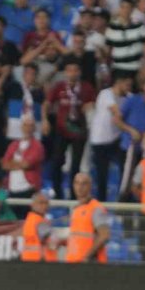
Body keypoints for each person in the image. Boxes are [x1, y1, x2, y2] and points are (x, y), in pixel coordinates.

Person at [43, 59, 96, 200]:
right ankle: (57, 194)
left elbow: (92, 105)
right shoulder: (59, 86)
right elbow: (47, 104)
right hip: (61, 130)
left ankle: (74, 197)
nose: (72, 73)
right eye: (69, 70)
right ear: (65, 72)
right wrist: (45, 120)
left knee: (76, 166)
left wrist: (90, 106)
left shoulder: (86, 88)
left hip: (79, 131)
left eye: (75, 70)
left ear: (79, 72)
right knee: (57, 162)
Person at [89, 73, 133, 202]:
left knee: (125, 168)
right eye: (127, 85)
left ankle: (123, 200)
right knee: (102, 174)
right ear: (119, 82)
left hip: (116, 139)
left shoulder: (129, 97)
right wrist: (130, 127)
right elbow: (116, 113)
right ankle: (101, 202)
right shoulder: (106, 94)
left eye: (130, 85)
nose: (129, 88)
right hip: (100, 140)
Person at [64, 173, 110, 263]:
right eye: (76, 183)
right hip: (73, 260)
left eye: (83, 184)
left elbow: (104, 235)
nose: (79, 187)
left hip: (89, 263)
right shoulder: (76, 208)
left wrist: (87, 256)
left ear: (90, 186)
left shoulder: (96, 209)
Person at [20, 192, 56, 263]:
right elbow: (52, 244)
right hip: (42, 262)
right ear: (33, 205)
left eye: (46, 203)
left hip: (28, 260)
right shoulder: (40, 221)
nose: (44, 206)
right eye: (41, 203)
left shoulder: (29, 220)